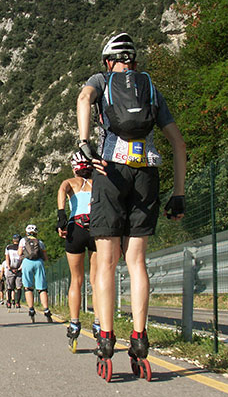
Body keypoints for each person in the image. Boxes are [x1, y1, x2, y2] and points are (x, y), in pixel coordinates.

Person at [76, 32, 186, 373]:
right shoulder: (149, 86)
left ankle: (106, 338)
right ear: (134, 62)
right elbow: (179, 145)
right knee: (137, 262)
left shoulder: (102, 80)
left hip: (109, 172)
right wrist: (178, 194)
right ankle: (139, 339)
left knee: (106, 263)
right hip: (146, 174)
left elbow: (83, 99)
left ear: (109, 61)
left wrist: (84, 142)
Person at [56, 151, 100, 349]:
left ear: (74, 167)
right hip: (97, 228)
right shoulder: (97, 182)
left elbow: (62, 189)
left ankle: (74, 323)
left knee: (77, 279)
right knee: (97, 279)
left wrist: (61, 215)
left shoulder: (71, 182)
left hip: (76, 228)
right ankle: (99, 323)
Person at [18, 224, 53, 323]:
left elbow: (20, 253)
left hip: (27, 263)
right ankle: (46, 309)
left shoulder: (23, 241)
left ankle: (31, 309)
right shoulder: (40, 242)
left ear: (26, 232)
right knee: (42, 288)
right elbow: (45, 258)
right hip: (38, 263)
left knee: (28, 287)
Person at [4, 234, 23, 310]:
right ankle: (18, 302)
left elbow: (7, 258)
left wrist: (9, 267)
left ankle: (9, 302)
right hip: (19, 268)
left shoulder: (8, 247)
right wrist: (20, 268)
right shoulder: (22, 247)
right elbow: (23, 258)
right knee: (19, 287)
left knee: (9, 287)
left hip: (11, 268)